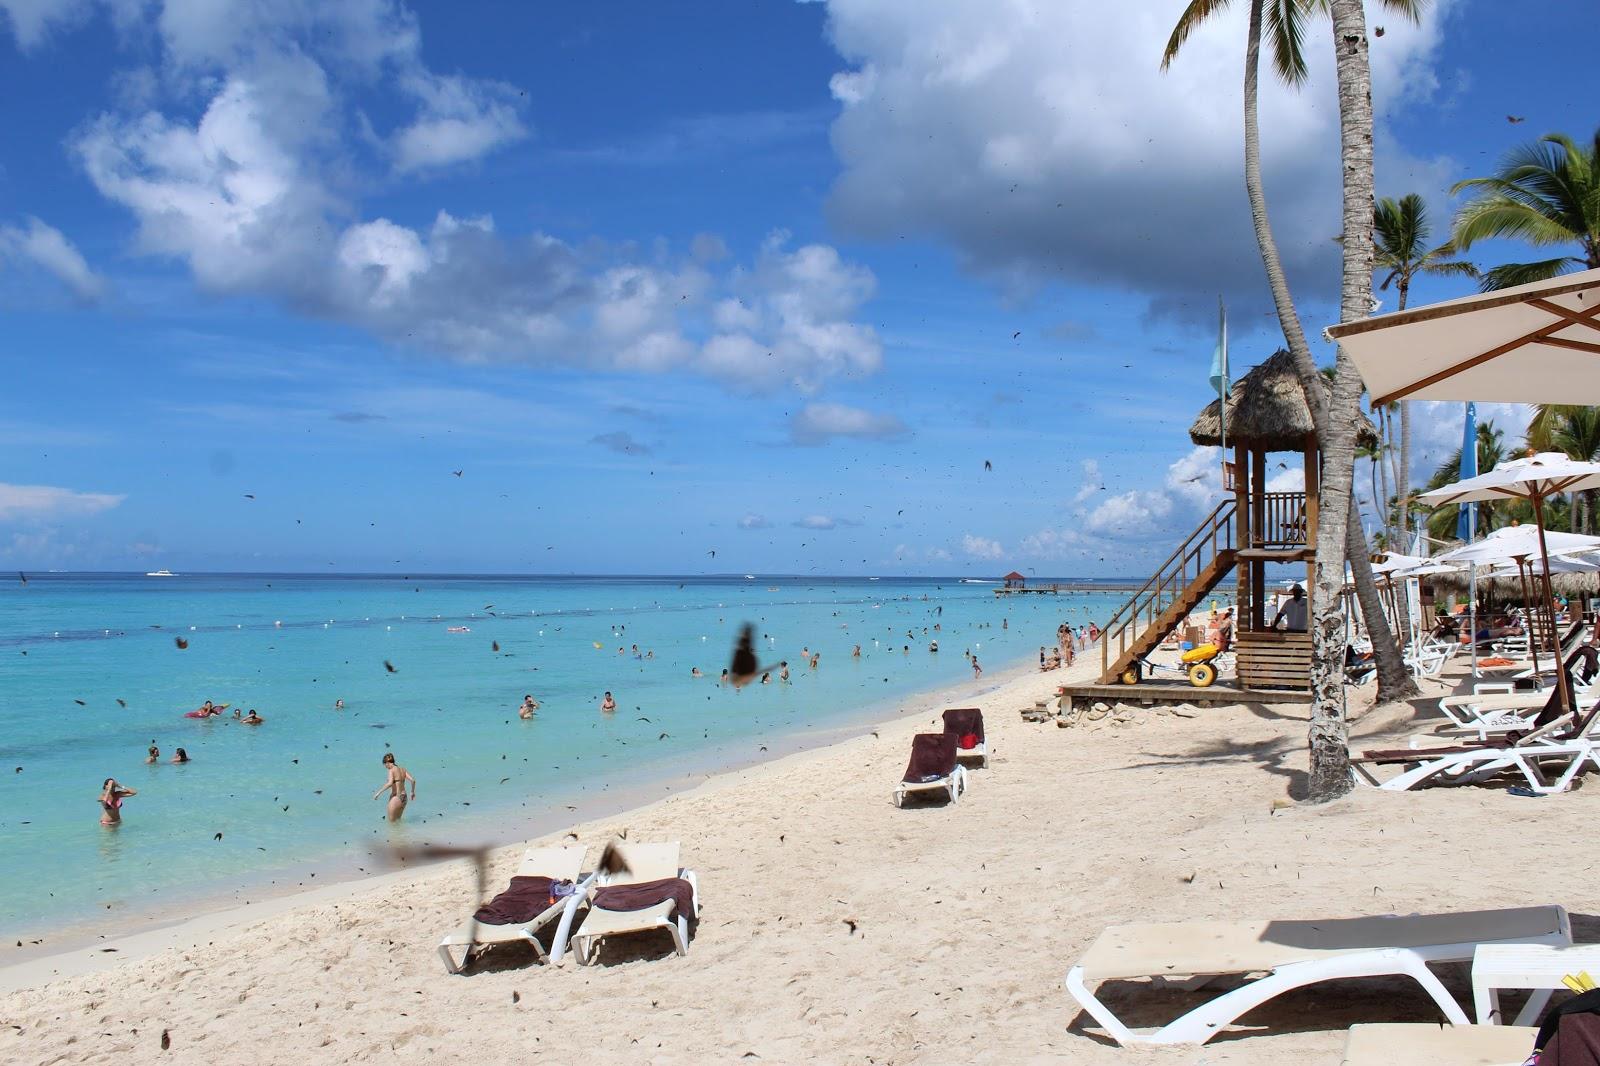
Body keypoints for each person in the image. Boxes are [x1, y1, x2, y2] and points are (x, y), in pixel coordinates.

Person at [372, 753, 415, 822]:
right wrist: (412, 792)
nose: (386, 767)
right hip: (404, 798)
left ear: (387, 763)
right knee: (398, 821)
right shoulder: (402, 769)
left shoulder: (391, 770)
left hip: (396, 798)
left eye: (385, 765)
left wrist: (378, 793)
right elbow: (413, 781)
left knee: (391, 823)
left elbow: (390, 783)